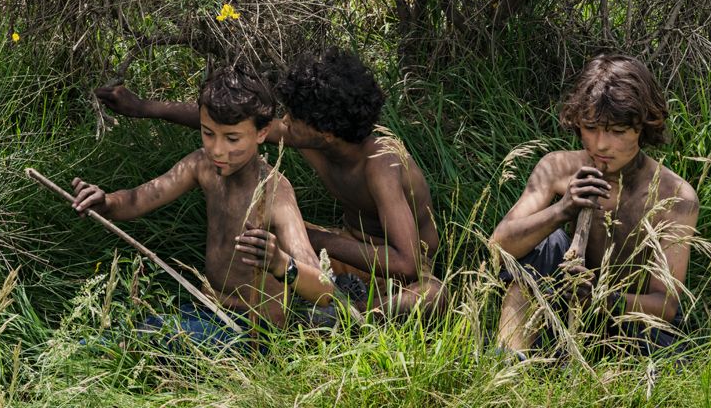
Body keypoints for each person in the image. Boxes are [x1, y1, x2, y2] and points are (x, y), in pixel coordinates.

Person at [96, 48, 444, 317]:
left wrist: (315, 236)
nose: (285, 122)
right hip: (350, 254)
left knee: (431, 293)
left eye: (295, 118)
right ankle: (309, 309)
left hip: (404, 272)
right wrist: (144, 108)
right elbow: (235, 123)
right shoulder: (314, 138)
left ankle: (358, 321)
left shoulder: (380, 163)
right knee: (267, 234)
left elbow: (407, 262)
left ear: (324, 132)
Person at [71, 64, 343, 343]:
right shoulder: (202, 165)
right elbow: (138, 199)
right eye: (208, 133)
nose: (217, 150)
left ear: (262, 133)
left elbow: (323, 290)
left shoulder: (275, 194)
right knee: (140, 328)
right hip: (210, 308)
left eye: (232, 138)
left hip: (252, 331)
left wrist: (280, 262)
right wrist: (105, 201)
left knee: (143, 339)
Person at [489, 54, 700, 357]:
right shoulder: (558, 167)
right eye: (591, 128)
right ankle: (510, 360)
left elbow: (665, 305)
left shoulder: (675, 196)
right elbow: (500, 247)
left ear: (643, 127)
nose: (601, 144)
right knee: (547, 243)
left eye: (617, 132)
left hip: (630, 320)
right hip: (559, 310)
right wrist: (562, 210)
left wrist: (603, 299)